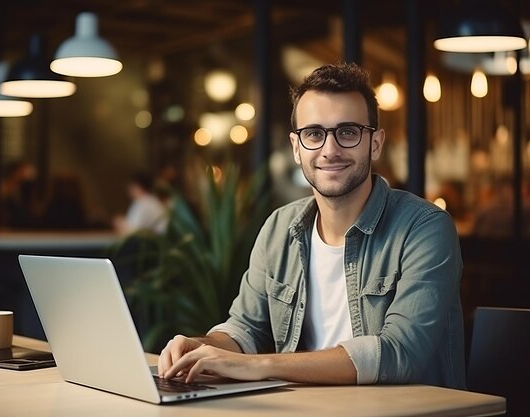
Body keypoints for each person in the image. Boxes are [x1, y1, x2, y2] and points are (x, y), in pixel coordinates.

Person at [157, 62, 466, 389]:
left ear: (375, 143)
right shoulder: (279, 228)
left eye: (347, 132)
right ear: (296, 147)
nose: (330, 150)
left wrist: (257, 365)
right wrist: (203, 347)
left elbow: (399, 353)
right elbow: (246, 328)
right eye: (314, 134)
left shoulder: (426, 228)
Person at [113, 171, 168, 235]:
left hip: (151, 243)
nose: (129, 190)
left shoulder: (142, 203)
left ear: (138, 187)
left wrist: (120, 223)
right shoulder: (153, 201)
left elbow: (133, 231)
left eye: (131, 186)